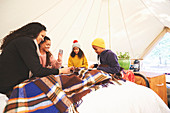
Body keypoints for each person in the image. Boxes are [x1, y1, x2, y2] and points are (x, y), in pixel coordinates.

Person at [0, 22, 73, 97]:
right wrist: (61, 71)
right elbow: (38, 70)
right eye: (42, 36)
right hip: (7, 85)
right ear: (35, 33)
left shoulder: (23, 41)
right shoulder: (26, 42)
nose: (42, 39)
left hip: (8, 83)